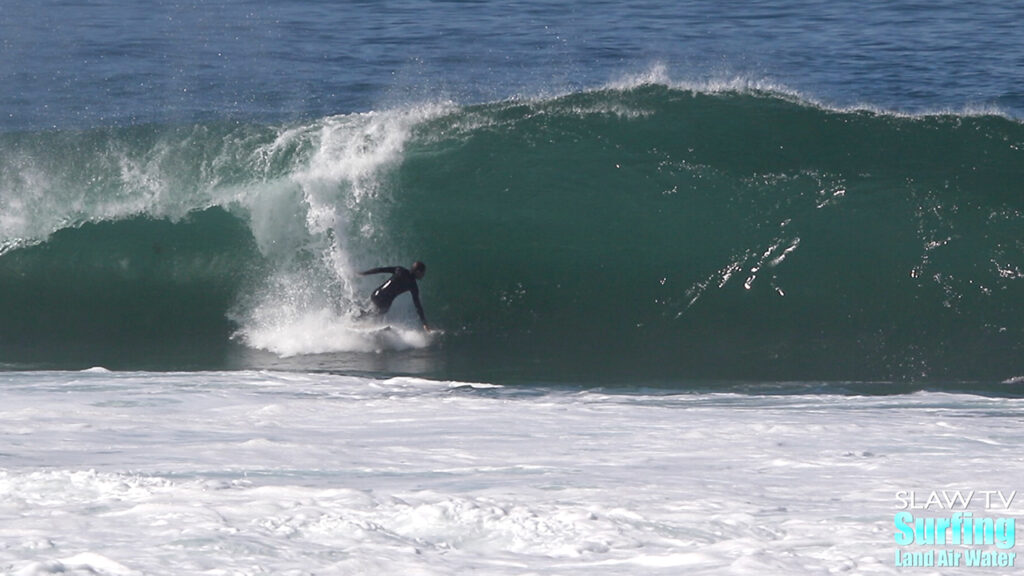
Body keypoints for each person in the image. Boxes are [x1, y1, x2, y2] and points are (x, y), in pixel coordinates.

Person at [359, 261, 430, 331]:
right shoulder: (413, 285)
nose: (423, 275)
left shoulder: (400, 270)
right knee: (377, 312)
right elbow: (417, 305)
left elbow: (380, 270)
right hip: (384, 303)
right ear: (418, 272)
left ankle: (359, 316)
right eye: (423, 272)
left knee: (370, 310)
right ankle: (361, 319)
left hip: (376, 294)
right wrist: (424, 323)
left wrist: (364, 273)